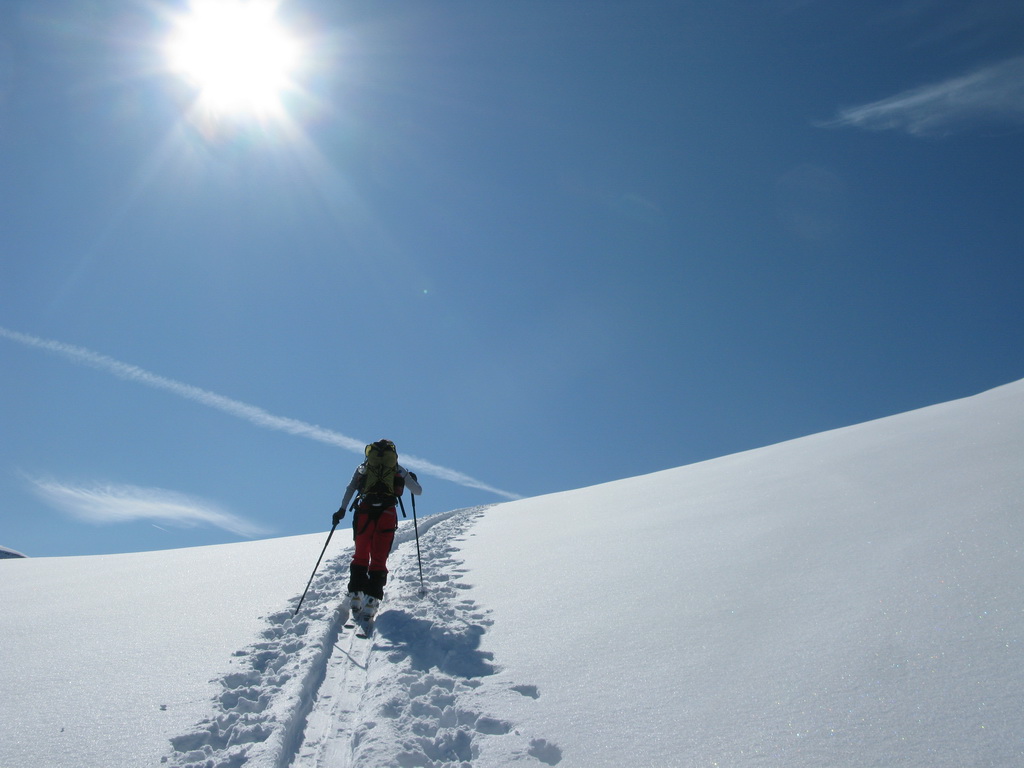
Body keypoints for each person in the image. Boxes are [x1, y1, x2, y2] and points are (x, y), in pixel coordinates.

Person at [332, 439, 422, 619]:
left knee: (361, 552)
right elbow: (417, 491)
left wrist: (342, 510)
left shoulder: (363, 467)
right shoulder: (397, 468)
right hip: (387, 512)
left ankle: (356, 595)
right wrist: (410, 479)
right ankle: (372, 599)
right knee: (379, 555)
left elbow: (351, 488)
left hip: (364, 511)